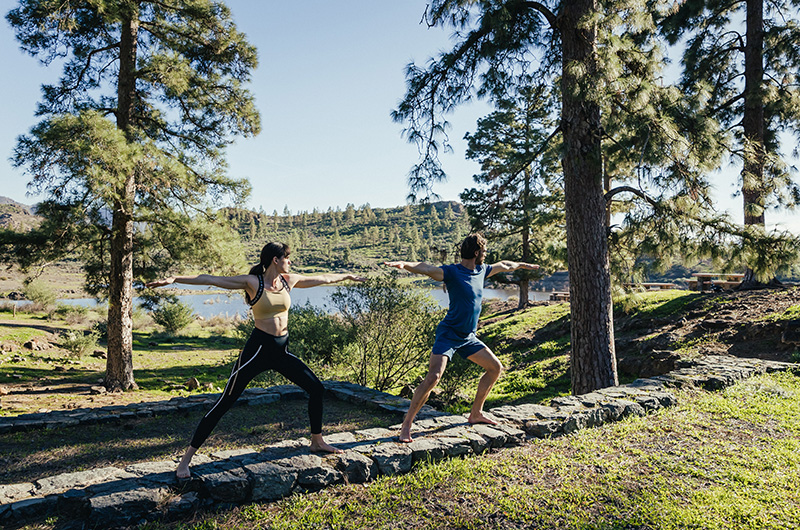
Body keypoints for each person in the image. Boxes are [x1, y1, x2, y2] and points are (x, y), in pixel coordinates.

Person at [146, 242, 365, 479]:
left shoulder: (288, 281)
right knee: (225, 402)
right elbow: (210, 279)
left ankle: (317, 441)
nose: (289, 261)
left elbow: (322, 278)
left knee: (316, 388)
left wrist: (348, 276)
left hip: (282, 351)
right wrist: (174, 279)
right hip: (257, 351)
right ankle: (185, 461)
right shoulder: (253, 283)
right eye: (287, 258)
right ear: (275, 259)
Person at [385, 234, 539, 443]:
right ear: (476, 253)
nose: (486, 255)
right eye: (484, 252)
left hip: (468, 337)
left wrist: (522, 264)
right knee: (433, 378)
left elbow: (504, 265)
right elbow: (427, 268)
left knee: (495, 368)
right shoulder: (452, 272)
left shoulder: (482, 271)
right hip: (448, 334)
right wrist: (404, 264)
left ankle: (476, 413)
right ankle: (406, 426)